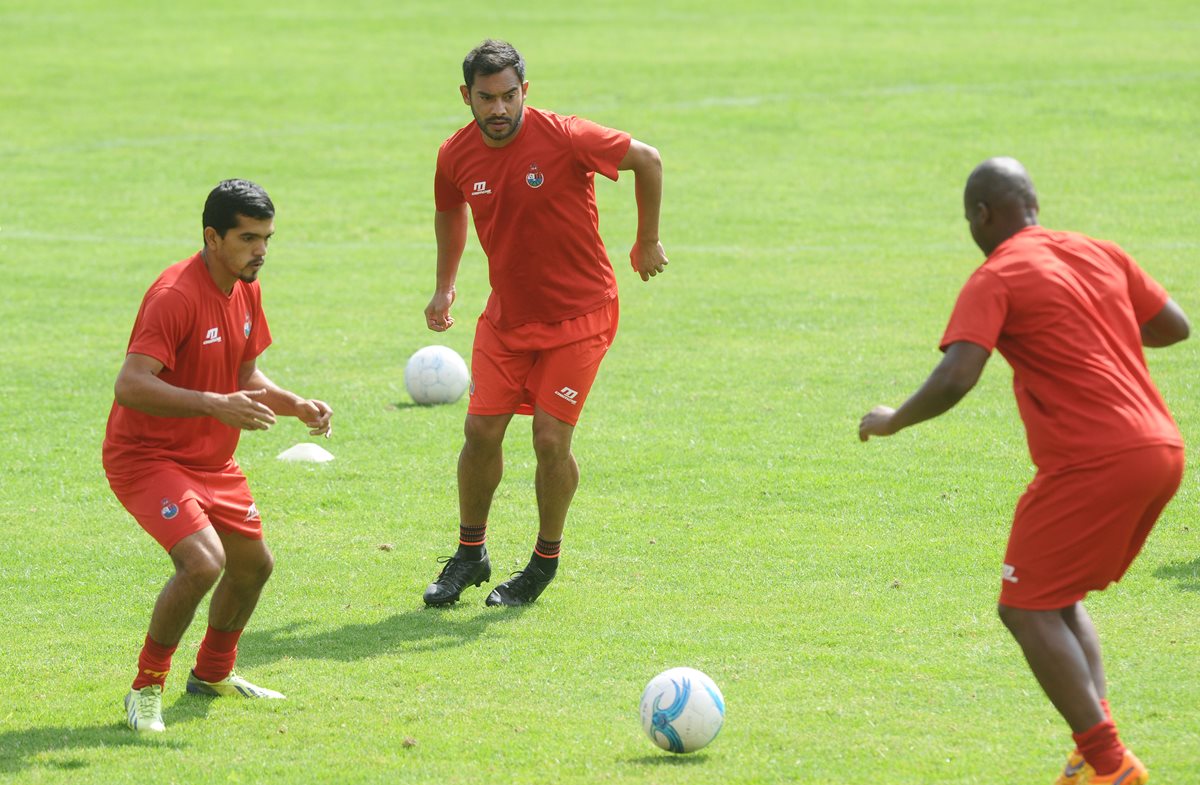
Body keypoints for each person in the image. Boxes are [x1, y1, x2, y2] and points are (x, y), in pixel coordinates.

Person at [858, 157, 1187, 785]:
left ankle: (1112, 765)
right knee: (1055, 597)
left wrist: (895, 419)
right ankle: (1091, 755)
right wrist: (1094, 326)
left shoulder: (998, 274)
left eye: (968, 221)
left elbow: (958, 374)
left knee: (1025, 608)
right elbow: (1174, 327)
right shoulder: (1099, 252)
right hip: (1161, 450)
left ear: (982, 215)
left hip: (1095, 460)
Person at [421, 39, 668, 608]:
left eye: (510, 96)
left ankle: (542, 563)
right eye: (487, 99)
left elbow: (647, 159)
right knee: (480, 433)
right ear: (467, 97)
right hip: (507, 319)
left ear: (525, 91)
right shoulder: (454, 155)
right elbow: (448, 209)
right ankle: (470, 553)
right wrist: (445, 284)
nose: (500, 110)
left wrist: (647, 239)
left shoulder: (565, 136)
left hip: (580, 317)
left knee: (549, 438)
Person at [104, 179, 333, 733]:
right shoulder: (174, 296)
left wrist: (294, 404)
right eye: (248, 238)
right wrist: (215, 405)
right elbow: (131, 385)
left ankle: (211, 674)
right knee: (204, 562)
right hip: (147, 456)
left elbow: (244, 374)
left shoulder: (245, 285)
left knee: (254, 566)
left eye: (267, 239)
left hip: (210, 461)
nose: (261, 251)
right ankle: (146, 687)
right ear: (212, 237)